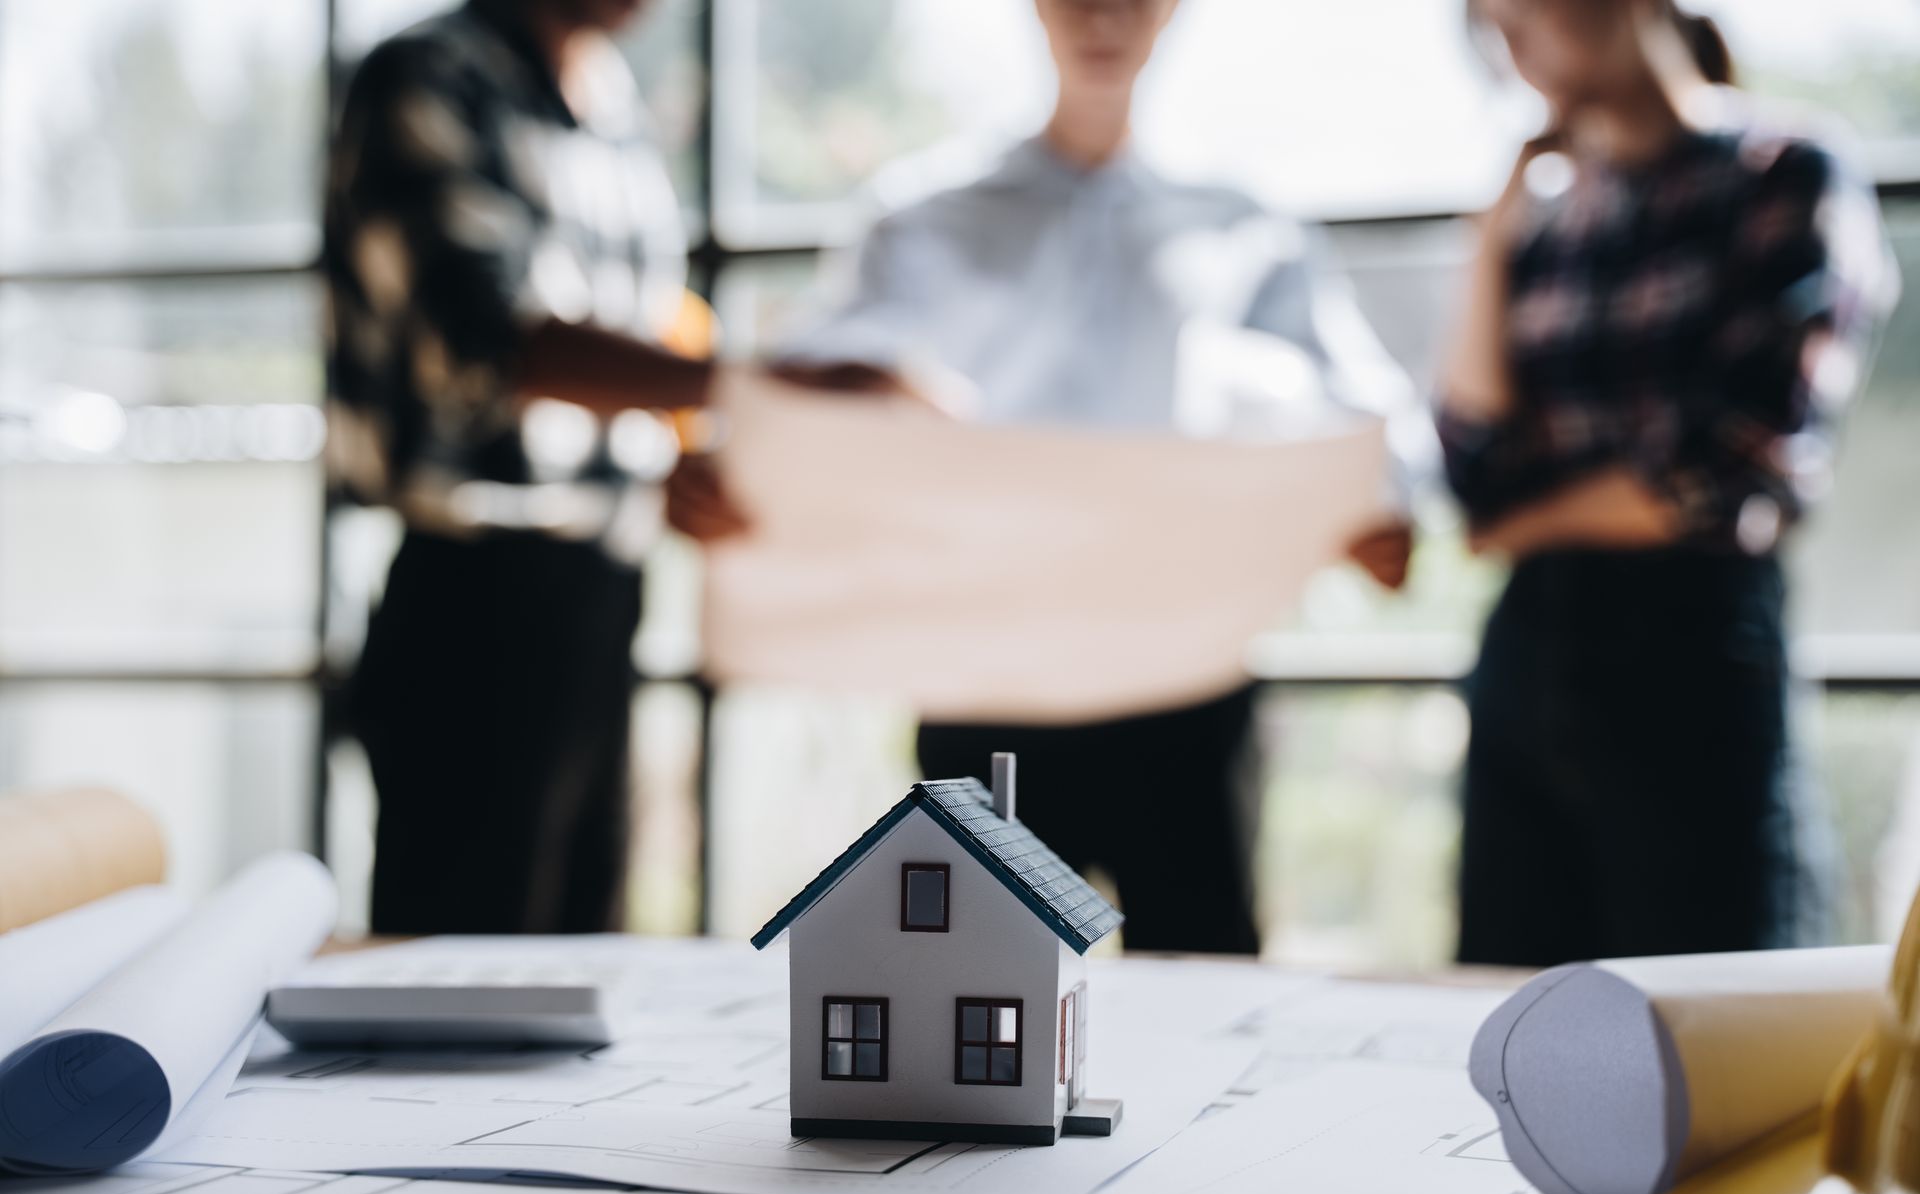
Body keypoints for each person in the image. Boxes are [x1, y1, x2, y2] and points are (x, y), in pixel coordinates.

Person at [782, 0, 1429, 955]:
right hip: (987, 679)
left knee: (1202, 977)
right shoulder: (923, 215)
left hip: (1184, 682)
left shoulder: (1245, 225)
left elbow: (1363, 414)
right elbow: (799, 399)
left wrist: (1382, 506)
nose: (1103, 18)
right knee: (978, 981)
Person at [1442, 0, 1899, 965]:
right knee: (1509, 999)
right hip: (1528, 656)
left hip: (1691, 653)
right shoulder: (1547, 218)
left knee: (1707, 1000)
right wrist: (1489, 240)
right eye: (1491, 26)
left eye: (1525, 11)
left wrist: (1523, 521)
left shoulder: (1782, 168)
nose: (1516, 46)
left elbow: (1736, 466)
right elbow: (1473, 475)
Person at [326, 0, 744, 934]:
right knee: (462, 972)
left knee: (584, 957)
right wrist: (747, 386)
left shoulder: (612, 101)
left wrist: (684, 454)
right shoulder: (430, 74)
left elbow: (636, 346)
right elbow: (485, 339)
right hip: (473, 609)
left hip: (603, 596)